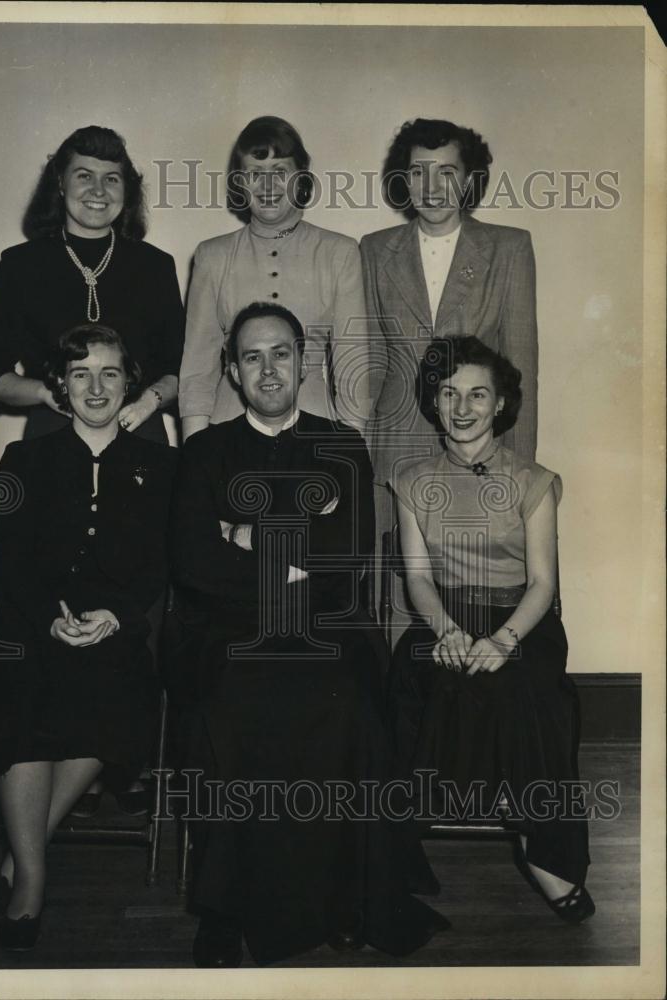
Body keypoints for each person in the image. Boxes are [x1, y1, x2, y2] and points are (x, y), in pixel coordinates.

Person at [167, 301, 448, 967]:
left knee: (348, 704)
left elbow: (345, 555)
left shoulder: (341, 446)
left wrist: (247, 535)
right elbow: (193, 565)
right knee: (229, 705)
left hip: (327, 627)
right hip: (230, 630)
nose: (268, 368)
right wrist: (289, 557)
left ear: (305, 362)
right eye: (251, 356)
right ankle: (223, 905)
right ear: (232, 372)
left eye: (281, 353)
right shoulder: (204, 451)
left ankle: (347, 897)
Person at [0, 324, 176, 950]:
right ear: (59, 385)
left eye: (110, 373)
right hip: (35, 623)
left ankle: (17, 855)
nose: (95, 386)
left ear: (129, 384)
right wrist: (48, 619)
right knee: (21, 688)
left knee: (117, 697)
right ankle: (31, 874)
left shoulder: (162, 464)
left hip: (114, 625)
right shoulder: (23, 460)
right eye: (81, 373)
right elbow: (6, 565)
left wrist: (116, 617)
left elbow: (160, 565)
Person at [389, 336, 594, 923]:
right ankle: (394, 854)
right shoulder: (410, 479)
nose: (462, 407)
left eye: (477, 394)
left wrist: (504, 640)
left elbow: (542, 584)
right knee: (411, 675)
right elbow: (419, 579)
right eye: (448, 393)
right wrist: (447, 632)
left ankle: (542, 846)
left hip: (520, 621)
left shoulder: (535, 481)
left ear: (501, 404)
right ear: (432, 401)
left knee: (521, 691)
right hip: (445, 616)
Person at [360, 118, 539, 599]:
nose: (432, 187)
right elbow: (372, 361)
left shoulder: (509, 247)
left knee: (476, 588)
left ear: (469, 179)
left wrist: (517, 470)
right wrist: (358, 455)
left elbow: (521, 366)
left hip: (478, 445)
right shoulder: (375, 250)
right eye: (419, 172)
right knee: (399, 591)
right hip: (395, 446)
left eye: (447, 172)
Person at [0, 125, 184, 445]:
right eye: (84, 176)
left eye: (111, 178)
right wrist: (46, 395)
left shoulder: (155, 266)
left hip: (140, 433)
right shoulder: (21, 266)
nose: (98, 190)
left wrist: (148, 402)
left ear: (126, 190)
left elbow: (182, 371)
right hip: (52, 435)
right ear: (60, 182)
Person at [178, 115, 374, 440]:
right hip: (229, 435)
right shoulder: (212, 256)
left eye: (280, 172)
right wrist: (196, 457)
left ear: (301, 178)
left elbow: (354, 370)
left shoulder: (339, 253)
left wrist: (349, 456)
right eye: (255, 174)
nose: (267, 187)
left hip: (315, 432)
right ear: (240, 182)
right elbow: (197, 372)